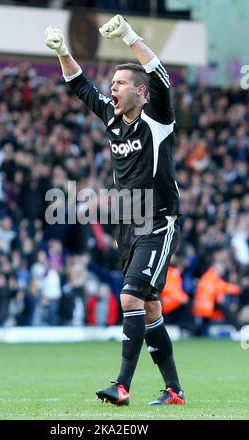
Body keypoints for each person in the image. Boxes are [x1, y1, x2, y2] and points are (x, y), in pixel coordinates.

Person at [45, 14, 185, 405]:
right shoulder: (112, 117)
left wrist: (129, 36)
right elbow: (80, 85)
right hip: (128, 222)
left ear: (140, 91)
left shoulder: (157, 119)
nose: (113, 88)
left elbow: (161, 74)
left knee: (129, 297)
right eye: (113, 83)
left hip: (157, 220)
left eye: (121, 83)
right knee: (150, 306)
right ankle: (175, 391)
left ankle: (121, 386)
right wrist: (63, 52)